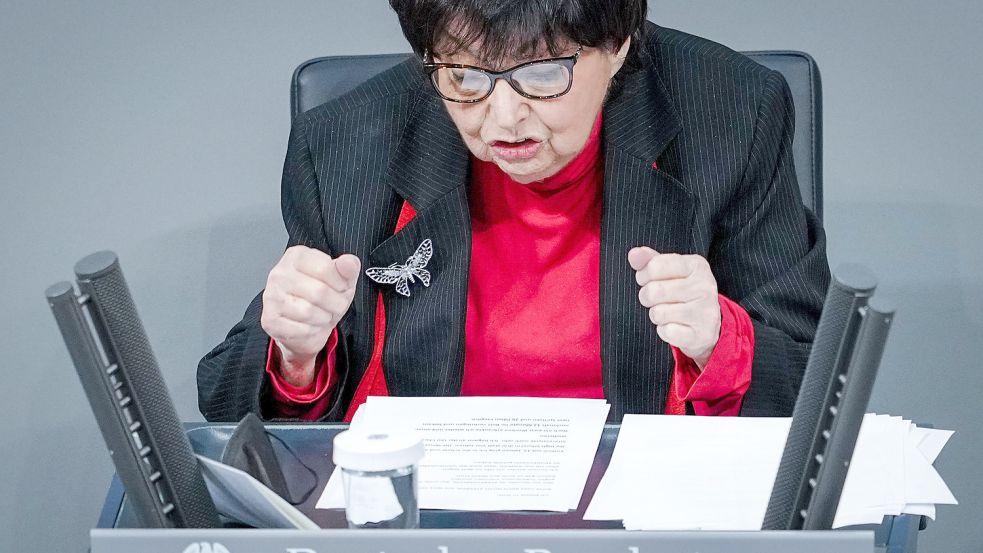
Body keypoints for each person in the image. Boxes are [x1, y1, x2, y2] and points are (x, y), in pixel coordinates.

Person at [198, 0, 829, 424]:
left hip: (642, 513)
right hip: (432, 515)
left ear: (616, 46)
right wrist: (296, 357)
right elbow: (227, 401)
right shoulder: (347, 142)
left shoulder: (732, 112)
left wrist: (722, 338)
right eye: (466, 77)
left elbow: (816, 381)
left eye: (544, 73)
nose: (503, 118)